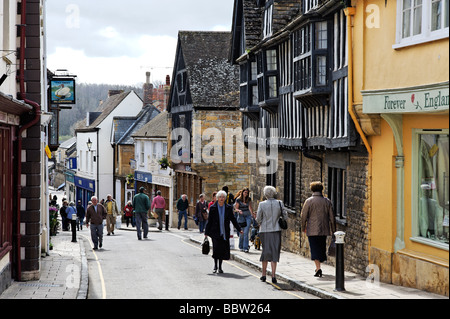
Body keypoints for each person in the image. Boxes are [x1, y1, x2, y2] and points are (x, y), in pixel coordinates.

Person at [300, 181, 336, 278]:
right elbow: (332, 218)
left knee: (314, 249)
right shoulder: (327, 201)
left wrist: (303, 227)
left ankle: (318, 268)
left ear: (312, 190)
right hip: (324, 229)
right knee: (321, 248)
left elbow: (303, 216)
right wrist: (334, 230)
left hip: (312, 229)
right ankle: (318, 267)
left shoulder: (309, 201)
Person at [205, 190, 243, 274]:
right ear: (217, 198)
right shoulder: (213, 208)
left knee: (222, 249)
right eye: (220, 197)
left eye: (223, 197)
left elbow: (233, 219)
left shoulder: (228, 208)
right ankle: (215, 266)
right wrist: (206, 232)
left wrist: (239, 229)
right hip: (215, 232)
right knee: (216, 249)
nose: (222, 199)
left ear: (225, 198)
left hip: (225, 232)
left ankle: (220, 267)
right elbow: (209, 221)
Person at [256, 186, 288, 284]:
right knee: (275, 252)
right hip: (276, 229)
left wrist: (261, 222)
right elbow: (285, 215)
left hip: (265, 230)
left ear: (265, 194)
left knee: (265, 252)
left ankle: (264, 275)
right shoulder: (279, 203)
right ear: (274, 193)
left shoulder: (261, 204)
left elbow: (258, 218)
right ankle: (273, 276)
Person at [235, 187, 254, 253]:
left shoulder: (249, 199)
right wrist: (239, 210)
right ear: (242, 192)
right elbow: (236, 208)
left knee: (246, 232)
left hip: (248, 216)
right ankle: (241, 246)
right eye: (245, 192)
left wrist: (253, 215)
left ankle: (245, 247)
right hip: (241, 217)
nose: (246, 194)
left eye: (247, 193)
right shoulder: (238, 199)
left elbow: (250, 208)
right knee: (242, 233)